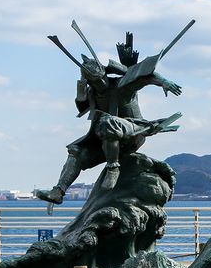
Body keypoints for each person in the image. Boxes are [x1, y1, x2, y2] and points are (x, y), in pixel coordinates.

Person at [33, 35, 182, 204]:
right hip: (104, 140)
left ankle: (113, 168)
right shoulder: (93, 93)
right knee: (77, 152)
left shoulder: (123, 86)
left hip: (132, 131)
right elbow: (82, 107)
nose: (99, 84)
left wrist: (164, 82)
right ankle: (59, 191)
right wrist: (80, 92)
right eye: (94, 82)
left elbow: (144, 75)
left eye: (100, 80)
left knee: (107, 122)